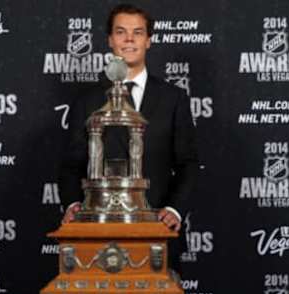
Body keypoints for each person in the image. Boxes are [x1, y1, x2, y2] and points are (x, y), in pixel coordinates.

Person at [59, 4, 199, 232]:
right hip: (97, 225)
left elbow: (188, 164)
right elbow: (71, 165)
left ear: (148, 41)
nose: (129, 40)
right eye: (121, 32)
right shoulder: (86, 100)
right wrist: (74, 204)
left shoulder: (174, 98)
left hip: (157, 226)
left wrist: (174, 209)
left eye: (138, 33)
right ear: (110, 40)